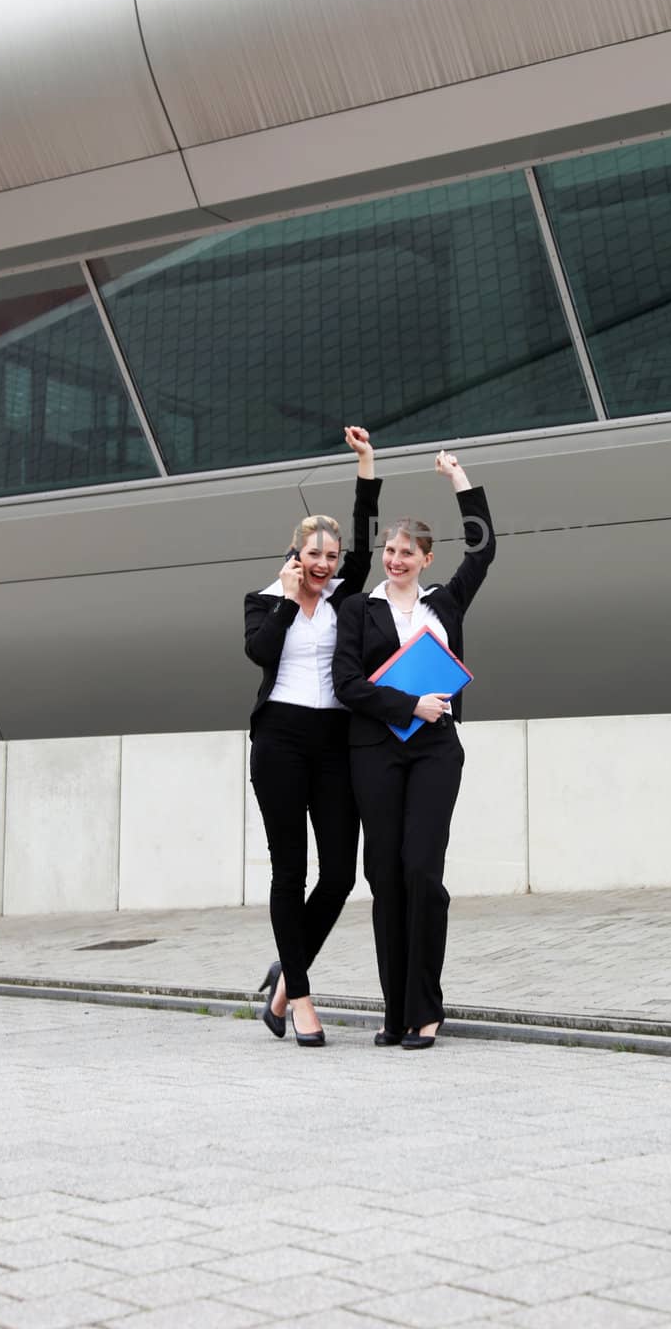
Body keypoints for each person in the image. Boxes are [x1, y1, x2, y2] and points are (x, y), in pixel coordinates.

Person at [332, 450, 495, 1050]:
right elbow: (346, 685)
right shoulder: (359, 609)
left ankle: (427, 1007)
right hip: (374, 751)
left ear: (426, 559)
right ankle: (395, 1011)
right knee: (385, 877)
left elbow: (484, 551)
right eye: (390, 551)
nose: (396, 560)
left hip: (434, 752)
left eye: (408, 553)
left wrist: (460, 481)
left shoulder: (444, 605)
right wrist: (408, 705)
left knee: (422, 872)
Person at [244, 425, 380, 1048]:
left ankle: (281, 981)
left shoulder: (344, 598)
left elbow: (368, 533)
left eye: (332, 556)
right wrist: (288, 599)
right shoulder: (265, 600)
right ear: (295, 554)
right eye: (314, 556)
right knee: (288, 872)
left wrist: (366, 464)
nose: (325, 565)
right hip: (279, 740)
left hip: (332, 740)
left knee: (339, 876)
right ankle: (299, 998)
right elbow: (258, 654)